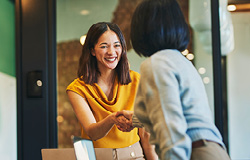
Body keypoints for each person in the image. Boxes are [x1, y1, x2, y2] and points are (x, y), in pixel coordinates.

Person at [116, 0, 231, 160]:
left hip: (194, 152)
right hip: (210, 150)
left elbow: (171, 132)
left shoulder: (156, 65)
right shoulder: (180, 61)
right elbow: (179, 112)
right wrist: (135, 119)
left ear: (142, 29)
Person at [66, 22, 158, 160]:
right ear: (92, 50)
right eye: (104, 46)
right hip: (96, 157)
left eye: (117, 45)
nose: (111, 52)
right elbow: (92, 132)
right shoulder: (77, 89)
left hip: (134, 155)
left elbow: (146, 134)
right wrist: (112, 119)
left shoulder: (137, 80)